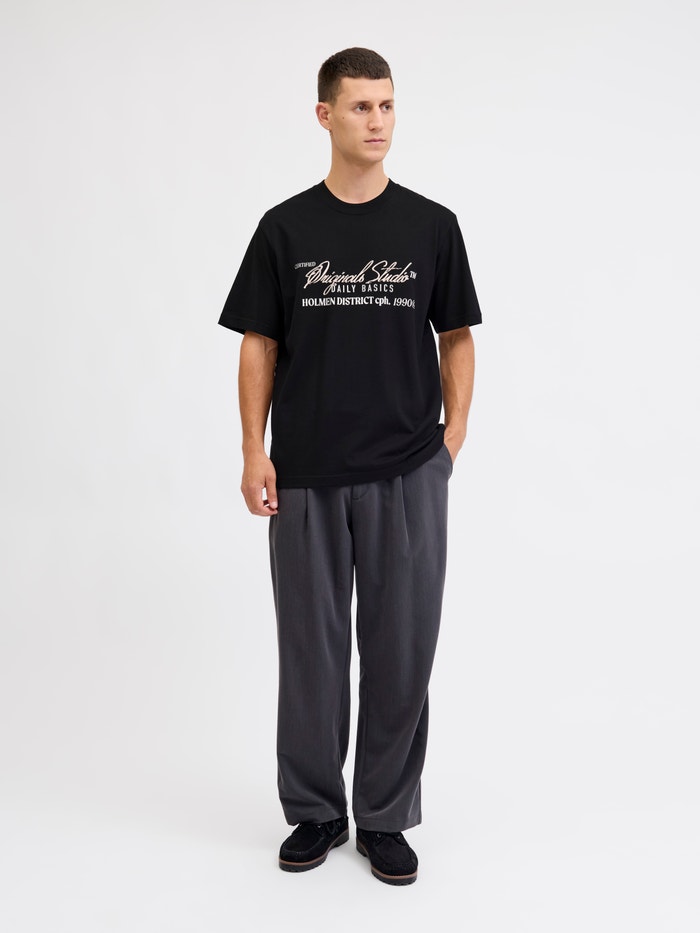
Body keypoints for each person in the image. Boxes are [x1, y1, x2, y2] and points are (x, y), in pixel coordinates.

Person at [218, 47, 482, 886]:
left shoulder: (431, 225)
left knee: (402, 651)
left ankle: (385, 816)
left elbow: (457, 335)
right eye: (361, 106)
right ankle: (315, 809)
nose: (378, 120)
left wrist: (451, 438)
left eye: (387, 105)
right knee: (313, 654)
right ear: (324, 115)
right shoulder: (286, 228)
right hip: (304, 471)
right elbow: (259, 344)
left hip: (408, 470)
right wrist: (254, 448)